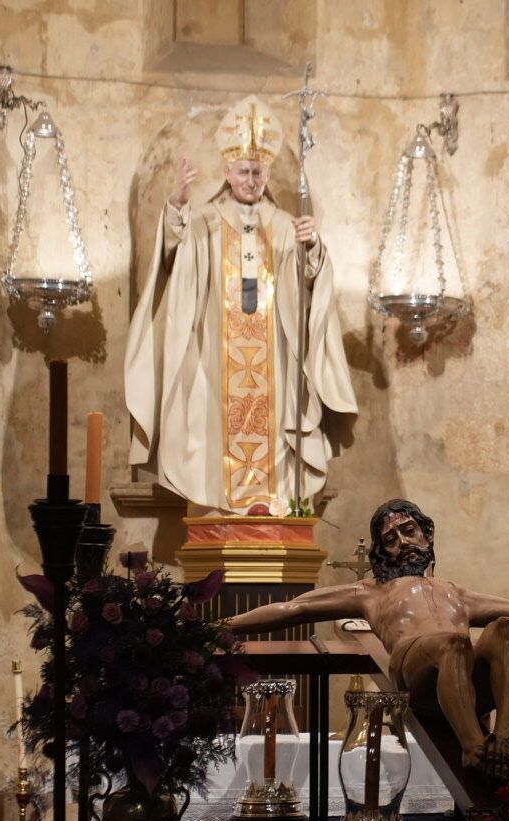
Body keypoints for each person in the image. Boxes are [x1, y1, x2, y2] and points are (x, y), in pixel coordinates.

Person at [225, 499, 509, 781]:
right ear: (383, 551)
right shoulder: (371, 591)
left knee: (503, 628)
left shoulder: (455, 591)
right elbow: (293, 608)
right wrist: (224, 625)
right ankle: (473, 748)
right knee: (454, 642)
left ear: (427, 533)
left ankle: (504, 741)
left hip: (463, 678)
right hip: (417, 674)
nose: (402, 542)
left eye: (408, 530)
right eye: (390, 539)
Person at [123, 95, 357, 513]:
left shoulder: (284, 226)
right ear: (227, 172)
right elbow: (173, 261)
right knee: (211, 425)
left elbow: (309, 286)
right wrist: (177, 208)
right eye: (244, 172)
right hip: (215, 362)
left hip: (275, 366)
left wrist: (312, 248)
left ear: (267, 174)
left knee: (275, 424)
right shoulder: (206, 222)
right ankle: (219, 506)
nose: (251, 181)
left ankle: (275, 504)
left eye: (258, 172)